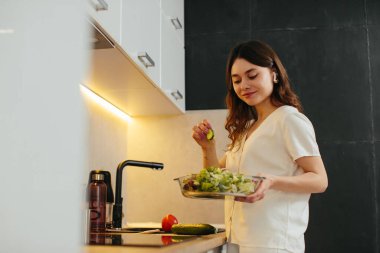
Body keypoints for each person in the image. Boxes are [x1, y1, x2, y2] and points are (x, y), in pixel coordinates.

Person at [192, 40, 328, 253]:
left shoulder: (289, 119)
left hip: (273, 244)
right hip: (239, 241)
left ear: (274, 73)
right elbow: (215, 180)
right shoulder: (245, 128)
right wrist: (207, 147)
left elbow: (319, 179)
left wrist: (271, 181)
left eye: (252, 75)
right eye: (236, 80)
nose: (243, 85)